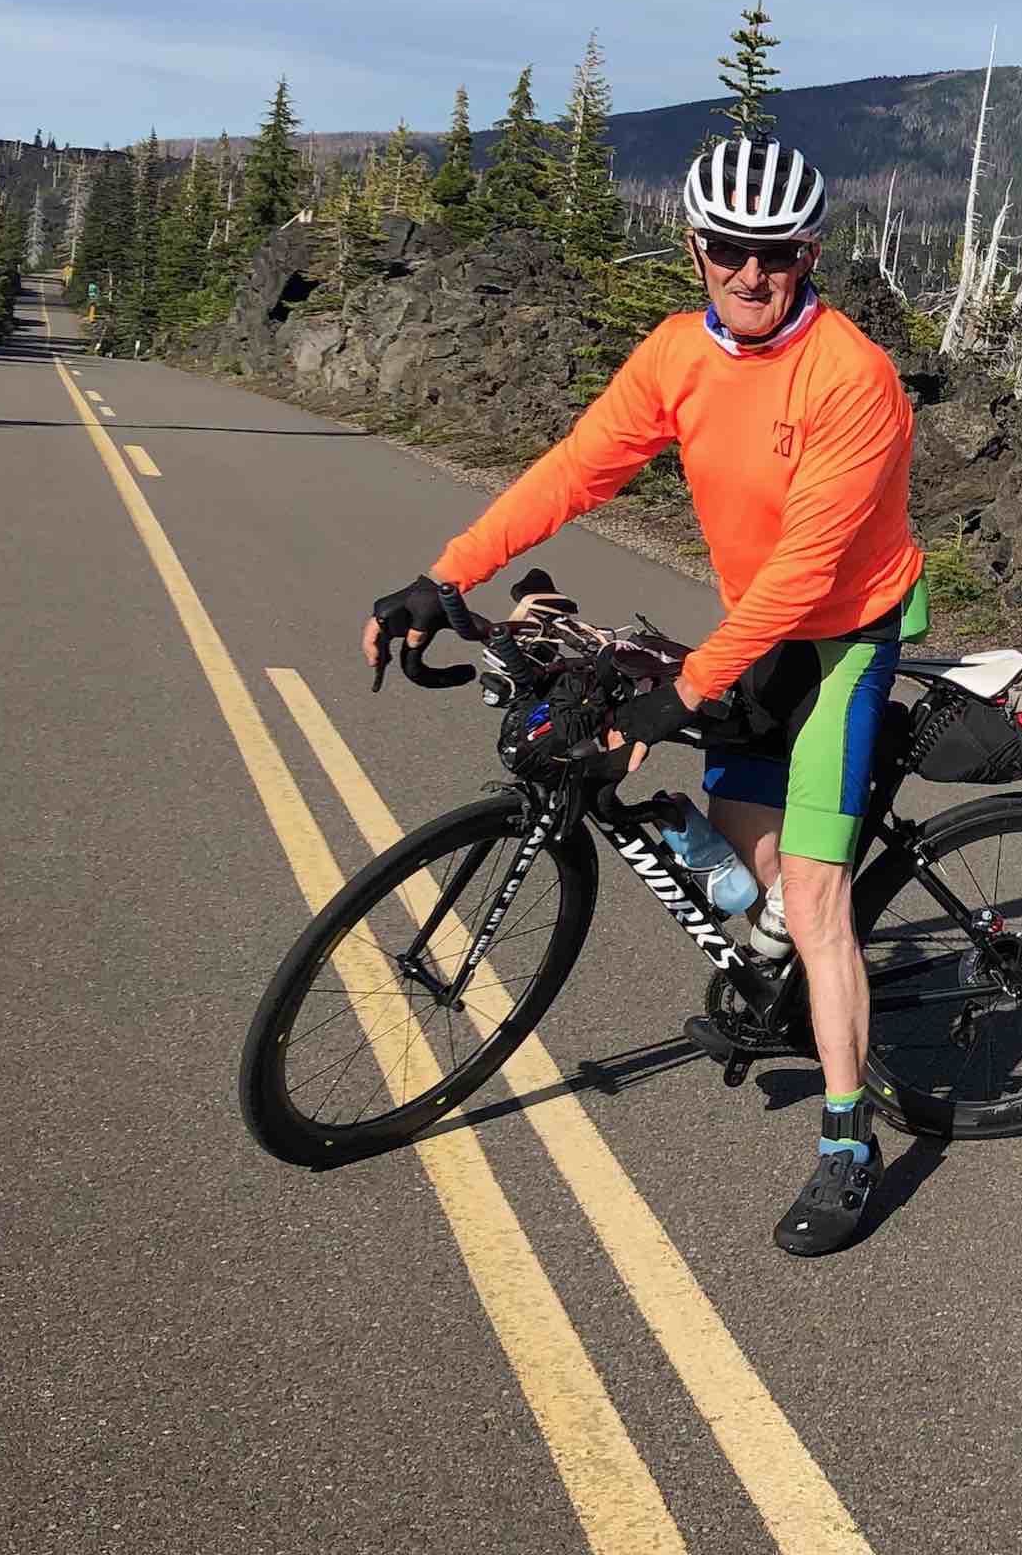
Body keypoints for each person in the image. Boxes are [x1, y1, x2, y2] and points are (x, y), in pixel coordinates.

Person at [362, 137, 926, 1256]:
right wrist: (447, 574)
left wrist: (677, 698)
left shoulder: (850, 376)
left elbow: (809, 579)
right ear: (696, 248)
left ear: (808, 253)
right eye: (729, 250)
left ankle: (849, 1141)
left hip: (842, 631)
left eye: (775, 254)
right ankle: (791, 966)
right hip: (756, 621)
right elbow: (576, 468)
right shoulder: (678, 354)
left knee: (811, 904)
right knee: (735, 857)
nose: (751, 275)